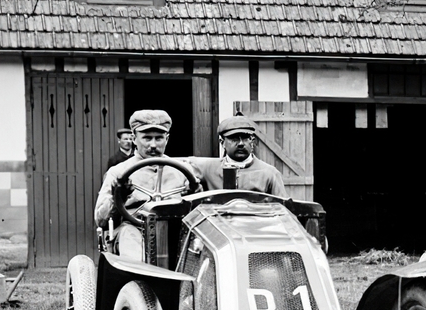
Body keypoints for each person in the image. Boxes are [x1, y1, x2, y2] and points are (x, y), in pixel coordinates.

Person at [94, 109, 193, 259]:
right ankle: (139, 278)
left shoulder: (183, 171)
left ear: (167, 138)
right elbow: (100, 221)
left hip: (174, 230)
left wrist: (193, 195)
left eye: (159, 138)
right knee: (129, 236)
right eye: (147, 138)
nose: (153, 145)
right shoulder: (118, 172)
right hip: (134, 228)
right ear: (134, 139)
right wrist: (117, 198)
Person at [183, 114, 287, 195]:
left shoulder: (270, 173)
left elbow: (284, 211)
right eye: (234, 138)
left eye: (245, 138)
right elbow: (183, 171)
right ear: (222, 142)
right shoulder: (208, 169)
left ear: (252, 141)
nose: (241, 143)